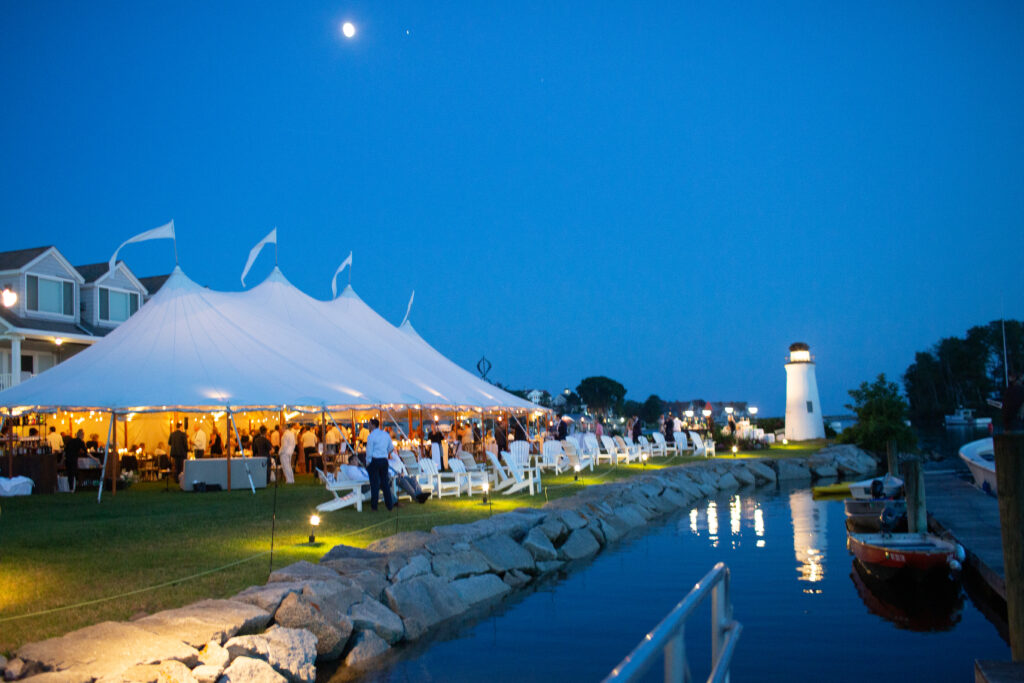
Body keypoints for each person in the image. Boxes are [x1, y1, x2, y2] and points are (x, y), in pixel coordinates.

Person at [365, 417, 396, 511]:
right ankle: (389, 505)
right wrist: (385, 453)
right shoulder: (386, 434)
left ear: (373, 425)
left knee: (374, 484)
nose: (368, 426)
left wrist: (368, 462)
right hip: (384, 460)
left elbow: (369, 451)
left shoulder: (371, 436)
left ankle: (374, 506)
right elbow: (391, 448)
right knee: (385, 483)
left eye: (369, 424)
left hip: (374, 460)